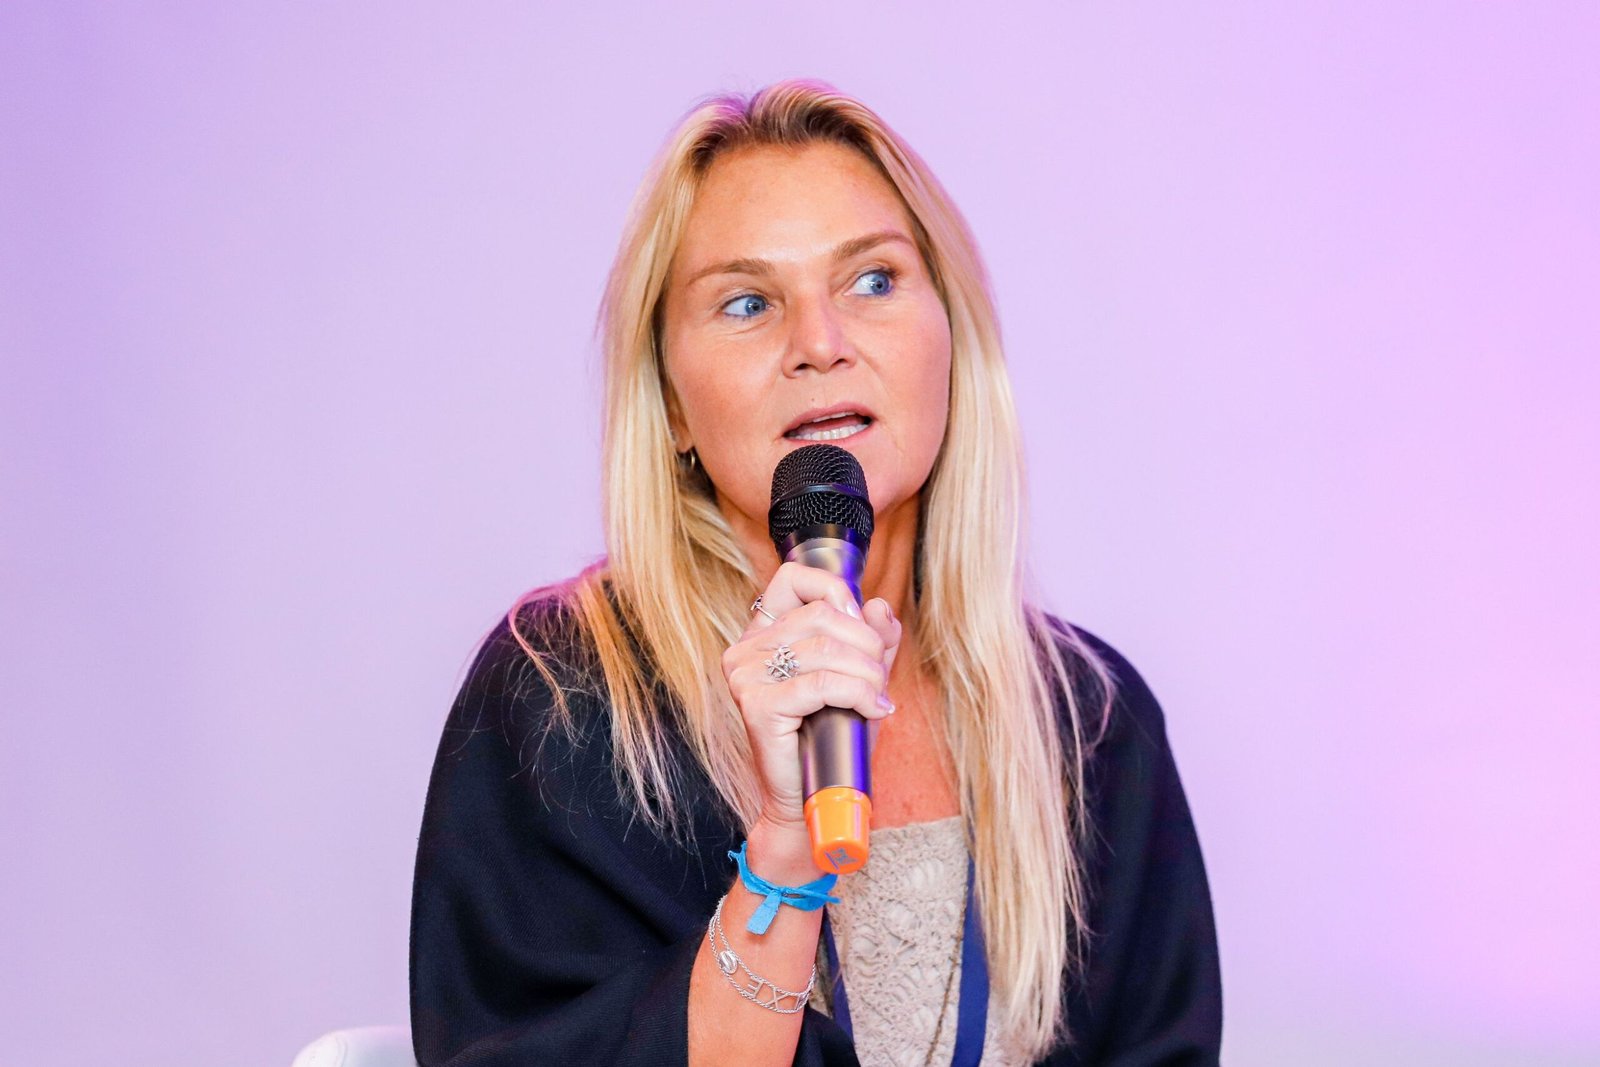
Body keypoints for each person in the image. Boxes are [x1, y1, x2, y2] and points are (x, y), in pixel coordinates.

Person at [409, 80, 1222, 1067]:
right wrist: (783, 855)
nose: (821, 344)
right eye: (747, 302)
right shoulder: (563, 701)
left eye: (872, 280)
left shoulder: (1090, 725)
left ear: (952, 338)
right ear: (672, 404)